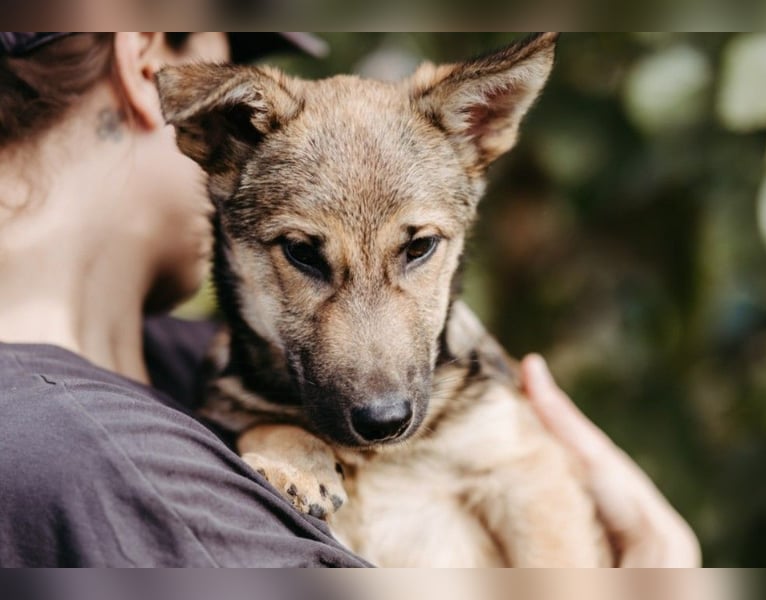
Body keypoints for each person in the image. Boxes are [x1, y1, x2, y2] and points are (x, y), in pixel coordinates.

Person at [0, 32, 700, 567]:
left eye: (418, 249)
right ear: (146, 61)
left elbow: (529, 486)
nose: (378, 394)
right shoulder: (103, 466)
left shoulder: (175, 363)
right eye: (306, 254)